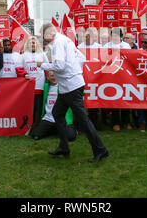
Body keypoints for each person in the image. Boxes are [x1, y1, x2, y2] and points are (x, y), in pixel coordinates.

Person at [37, 23, 108, 163]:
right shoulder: (65, 40)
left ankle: (101, 150)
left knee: (83, 120)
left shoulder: (58, 43)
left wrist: (42, 65)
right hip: (69, 86)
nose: (43, 40)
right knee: (57, 113)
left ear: (50, 33)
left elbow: (59, 66)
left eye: (44, 37)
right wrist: (76, 72)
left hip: (71, 87)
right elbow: (81, 57)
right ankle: (64, 147)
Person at [30, 71, 77, 142]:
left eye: (55, 75)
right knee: (35, 135)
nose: (54, 77)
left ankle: (71, 129)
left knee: (71, 137)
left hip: (62, 119)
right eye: (51, 76)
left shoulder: (64, 86)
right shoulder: (45, 87)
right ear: (47, 77)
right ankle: (54, 129)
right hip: (49, 118)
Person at [103, 28, 131, 131]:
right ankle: (116, 122)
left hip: (124, 75)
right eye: (113, 35)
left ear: (121, 37)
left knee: (125, 98)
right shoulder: (106, 46)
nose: (114, 37)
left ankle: (126, 121)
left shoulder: (126, 46)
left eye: (116, 36)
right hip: (112, 76)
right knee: (114, 99)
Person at [22, 36, 49, 130]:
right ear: (27, 44)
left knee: (38, 103)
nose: (32, 44)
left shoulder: (42, 54)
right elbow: (19, 68)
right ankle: (29, 122)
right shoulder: (24, 55)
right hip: (28, 83)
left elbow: (47, 67)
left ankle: (37, 123)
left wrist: (48, 77)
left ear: (37, 44)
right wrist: (24, 74)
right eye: (30, 43)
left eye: (34, 43)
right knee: (29, 104)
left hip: (39, 83)